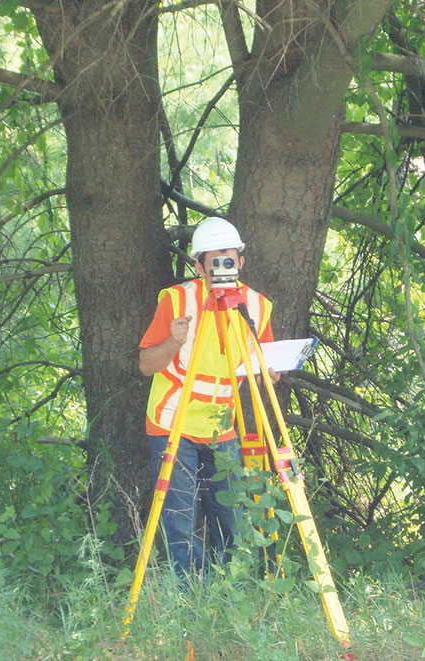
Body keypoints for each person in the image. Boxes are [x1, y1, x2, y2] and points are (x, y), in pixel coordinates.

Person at [138, 216, 276, 579]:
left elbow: (267, 366)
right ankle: (186, 599)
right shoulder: (176, 300)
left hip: (221, 426)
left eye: (228, 258)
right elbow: (146, 365)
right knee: (179, 520)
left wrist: (273, 370)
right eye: (213, 260)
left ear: (241, 261)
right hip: (172, 420)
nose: (221, 267)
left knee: (230, 516)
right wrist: (173, 341)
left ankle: (225, 594)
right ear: (198, 265)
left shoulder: (257, 306)